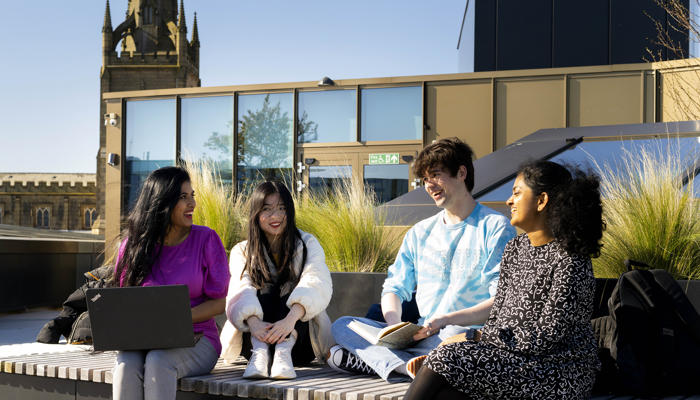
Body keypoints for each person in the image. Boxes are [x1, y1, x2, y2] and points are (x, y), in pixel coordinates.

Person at [404, 160, 604, 399]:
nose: (509, 201)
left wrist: (473, 337)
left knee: (446, 357)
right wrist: (476, 341)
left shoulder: (570, 259)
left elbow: (545, 337)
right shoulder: (515, 249)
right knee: (445, 393)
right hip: (512, 362)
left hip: (558, 371)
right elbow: (498, 315)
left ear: (541, 201)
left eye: (517, 194)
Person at [328, 137, 516, 381]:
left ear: (461, 172)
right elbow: (394, 287)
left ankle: (385, 363)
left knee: (456, 339)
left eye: (436, 175)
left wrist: (446, 319)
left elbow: (499, 302)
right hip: (420, 335)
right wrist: (394, 326)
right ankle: (410, 367)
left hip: (460, 335)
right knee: (343, 325)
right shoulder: (420, 232)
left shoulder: (495, 227)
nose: (429, 185)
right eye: (425, 179)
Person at [111, 166, 230, 400]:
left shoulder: (206, 239)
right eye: (183, 197)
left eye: (192, 196)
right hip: (144, 338)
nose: (192, 204)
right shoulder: (132, 246)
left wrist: (178, 319)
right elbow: (122, 301)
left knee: (158, 360)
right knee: (126, 363)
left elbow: (220, 303)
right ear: (162, 202)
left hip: (197, 338)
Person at [221, 181, 333, 379]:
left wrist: (289, 322)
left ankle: (283, 352)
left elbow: (315, 282)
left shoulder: (307, 244)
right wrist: (255, 325)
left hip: (299, 344)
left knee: (293, 286)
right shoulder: (242, 250)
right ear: (256, 213)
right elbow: (240, 288)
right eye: (267, 209)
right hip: (254, 341)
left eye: (282, 208)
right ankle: (261, 353)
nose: (276, 216)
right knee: (259, 286)